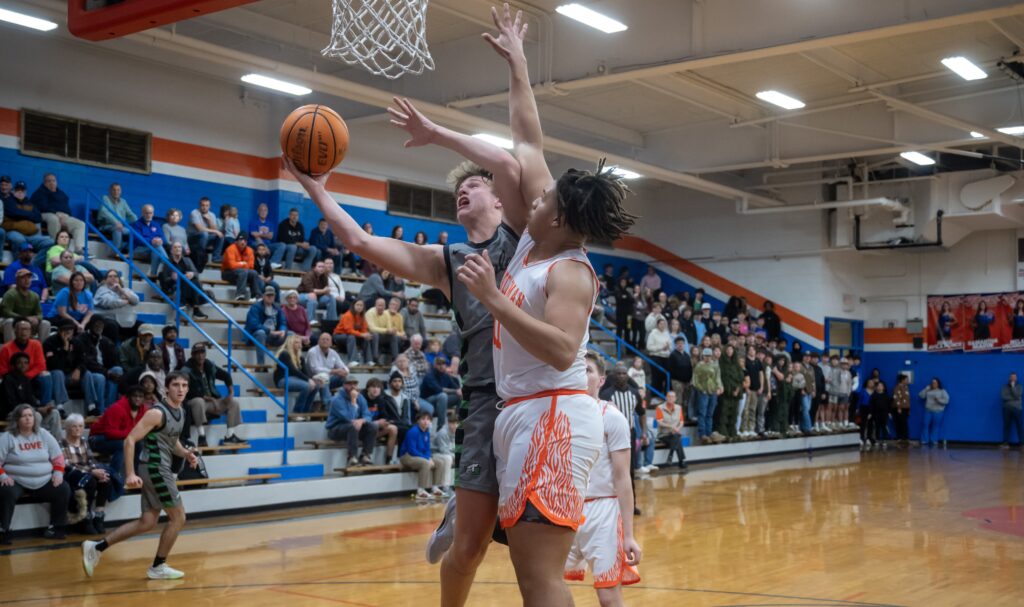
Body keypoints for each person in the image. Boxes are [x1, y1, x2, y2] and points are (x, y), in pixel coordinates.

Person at [286, 20, 533, 602]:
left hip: (535, 399)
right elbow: (364, 246)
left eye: (474, 185)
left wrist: (439, 133)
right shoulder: (446, 259)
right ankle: (463, 519)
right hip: (484, 402)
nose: (463, 191)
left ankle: (474, 509)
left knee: (529, 545)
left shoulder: (522, 236)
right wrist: (318, 189)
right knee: (468, 552)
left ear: (498, 197)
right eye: (459, 191)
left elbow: (509, 156)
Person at [81, 372, 198, 580]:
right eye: (176, 385)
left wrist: (186, 454)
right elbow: (129, 440)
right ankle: (158, 566)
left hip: (158, 468)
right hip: (155, 468)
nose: (181, 389)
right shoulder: (157, 413)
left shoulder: (180, 410)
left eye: (184, 385)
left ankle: (96, 548)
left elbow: (173, 442)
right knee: (179, 518)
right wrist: (130, 473)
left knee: (147, 522)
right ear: (166, 389)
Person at [564, 352, 641, 599]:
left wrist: (629, 534)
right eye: (577, 369)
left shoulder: (612, 417)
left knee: (608, 597)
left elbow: (623, 478)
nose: (581, 374)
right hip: (563, 512)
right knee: (548, 588)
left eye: (587, 370)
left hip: (603, 512)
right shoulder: (557, 416)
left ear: (601, 379)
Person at [0, 404, 70, 544]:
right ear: (17, 419)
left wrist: (58, 473)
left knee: (63, 489)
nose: (28, 419)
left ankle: (56, 527)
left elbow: (58, 457)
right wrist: (3, 475)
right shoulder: (7, 437)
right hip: (16, 480)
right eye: (24, 416)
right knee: (6, 492)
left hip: (43, 480)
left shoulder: (43, 433)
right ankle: (4, 530)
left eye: (30, 415)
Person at [60, 413, 114, 534]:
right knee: (90, 481)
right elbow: (68, 465)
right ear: (68, 428)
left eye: (80, 426)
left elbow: (90, 460)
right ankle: (86, 517)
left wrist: (97, 471)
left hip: (86, 472)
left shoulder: (83, 441)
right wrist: (92, 471)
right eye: (74, 426)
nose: (78, 429)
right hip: (71, 475)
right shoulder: (62, 443)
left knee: (106, 479)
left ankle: (99, 516)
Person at [184, 344, 243, 447]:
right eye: (197, 353)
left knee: (233, 403)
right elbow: (188, 390)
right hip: (195, 402)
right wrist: (211, 399)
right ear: (192, 355)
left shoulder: (209, 365)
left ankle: (229, 436)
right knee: (198, 401)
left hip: (212, 402)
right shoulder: (187, 369)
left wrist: (231, 393)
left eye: (202, 352)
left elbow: (226, 375)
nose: (200, 356)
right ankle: (201, 437)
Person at [87, 385, 149, 478]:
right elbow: (110, 432)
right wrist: (131, 434)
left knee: (138, 443)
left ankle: (134, 473)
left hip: (119, 439)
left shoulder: (143, 410)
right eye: (134, 396)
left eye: (140, 397)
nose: (137, 399)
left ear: (144, 399)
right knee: (124, 444)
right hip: (97, 438)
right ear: (128, 397)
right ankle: (113, 476)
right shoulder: (117, 408)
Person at [0, 318, 55, 414]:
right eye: (21, 329)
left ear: (31, 331)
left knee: (46, 375)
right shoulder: (6, 348)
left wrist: (26, 376)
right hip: (13, 379)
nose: (24, 332)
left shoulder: (36, 344)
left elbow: (41, 365)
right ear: (15, 331)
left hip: (31, 376)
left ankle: (44, 405)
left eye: (27, 329)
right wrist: (17, 378)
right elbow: (2, 369)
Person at [74, 316, 122, 416]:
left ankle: (110, 409)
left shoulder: (106, 341)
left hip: (104, 370)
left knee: (118, 370)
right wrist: (107, 372)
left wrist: (110, 370)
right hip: (89, 371)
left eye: (101, 324)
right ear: (90, 325)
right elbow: (87, 362)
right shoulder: (81, 339)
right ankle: (100, 411)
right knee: (100, 378)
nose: (99, 326)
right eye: (96, 324)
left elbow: (114, 361)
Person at [326, 377, 376, 466]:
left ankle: (365, 455)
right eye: (349, 384)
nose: (353, 386)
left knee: (372, 426)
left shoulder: (360, 397)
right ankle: (352, 457)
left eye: (355, 384)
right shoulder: (336, 400)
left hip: (353, 428)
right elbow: (349, 418)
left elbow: (368, 415)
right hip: (336, 429)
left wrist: (362, 420)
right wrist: (353, 401)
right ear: (344, 385)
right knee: (352, 426)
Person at [32, 173, 85, 253]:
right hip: (44, 214)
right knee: (54, 219)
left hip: (62, 216)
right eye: (49, 181)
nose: (52, 183)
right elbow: (42, 207)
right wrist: (57, 213)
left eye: (53, 180)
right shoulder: (39, 193)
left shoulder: (61, 194)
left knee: (80, 224)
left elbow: (67, 209)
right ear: (44, 183)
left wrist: (65, 216)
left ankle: (79, 248)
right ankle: (56, 246)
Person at [400, 411, 448, 499]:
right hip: (407, 456)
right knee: (425, 463)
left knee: (440, 462)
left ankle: (435, 488)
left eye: (428, 419)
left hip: (420, 456)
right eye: (423, 419)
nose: (426, 421)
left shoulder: (426, 432)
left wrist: (429, 457)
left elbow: (427, 449)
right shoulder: (413, 431)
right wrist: (427, 458)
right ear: (418, 420)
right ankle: (420, 491)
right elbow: (412, 450)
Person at [3, 181, 54, 261]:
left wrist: (22, 214)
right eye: (17, 190)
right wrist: (30, 215)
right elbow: (14, 213)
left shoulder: (30, 203)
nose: (20, 192)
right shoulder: (8, 201)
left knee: (50, 242)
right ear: (13, 191)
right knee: (19, 240)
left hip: (30, 234)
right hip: (14, 232)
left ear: (25, 192)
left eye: (22, 190)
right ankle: (19, 265)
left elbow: (38, 217)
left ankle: (35, 264)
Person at [43, 318, 83, 417]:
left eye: (71, 329)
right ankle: (60, 406)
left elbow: (83, 360)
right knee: (58, 373)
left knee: (90, 375)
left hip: (71, 375)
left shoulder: (77, 343)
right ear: (59, 331)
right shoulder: (49, 343)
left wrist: (78, 369)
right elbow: (53, 365)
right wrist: (64, 350)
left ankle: (93, 406)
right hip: (55, 375)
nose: (68, 332)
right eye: (65, 330)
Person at [159, 241, 206, 319]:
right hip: (175, 285)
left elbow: (196, 273)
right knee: (190, 281)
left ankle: (184, 303)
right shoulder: (167, 263)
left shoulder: (187, 260)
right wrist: (172, 278)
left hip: (188, 285)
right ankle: (195, 309)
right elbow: (164, 279)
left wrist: (192, 274)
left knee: (193, 280)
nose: (178, 249)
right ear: (171, 251)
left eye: (179, 247)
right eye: (175, 247)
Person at [1, 268, 49, 341]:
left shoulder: (34, 296)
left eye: (29, 278)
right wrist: (23, 318)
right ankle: (10, 350)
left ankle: (42, 350)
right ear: (17, 280)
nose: (27, 280)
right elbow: (6, 312)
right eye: (23, 278)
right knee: (9, 321)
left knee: (45, 323)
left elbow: (40, 313)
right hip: (13, 321)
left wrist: (37, 318)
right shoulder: (10, 294)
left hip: (28, 322)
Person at [273, 334, 318, 414]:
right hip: (283, 379)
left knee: (315, 386)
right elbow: (293, 370)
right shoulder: (284, 354)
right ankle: (297, 413)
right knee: (306, 386)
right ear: (291, 343)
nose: (299, 345)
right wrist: (308, 380)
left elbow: (305, 372)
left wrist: (313, 380)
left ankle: (305, 412)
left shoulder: (300, 357)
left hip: (295, 379)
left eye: (300, 343)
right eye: (296, 342)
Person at [245, 287, 287, 365]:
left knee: (291, 334)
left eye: (272, 295)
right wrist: (270, 332)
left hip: (273, 336)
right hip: (256, 335)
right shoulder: (256, 307)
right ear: (263, 296)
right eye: (268, 295)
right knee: (261, 333)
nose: (270, 297)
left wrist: (282, 330)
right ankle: (261, 365)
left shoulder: (277, 307)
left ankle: (283, 366)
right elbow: (254, 324)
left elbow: (283, 322)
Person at [363, 377, 400, 465]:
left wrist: (384, 422)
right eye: (373, 387)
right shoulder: (362, 399)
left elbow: (384, 415)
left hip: (376, 428)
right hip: (364, 430)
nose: (376, 389)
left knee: (393, 428)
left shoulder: (381, 399)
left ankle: (389, 459)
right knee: (374, 426)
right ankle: (365, 455)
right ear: (368, 388)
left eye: (378, 387)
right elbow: (360, 418)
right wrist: (376, 423)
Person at [306, 331, 350, 401]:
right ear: (318, 341)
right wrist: (334, 371)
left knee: (346, 378)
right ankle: (327, 405)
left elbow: (343, 366)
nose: (325, 341)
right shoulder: (312, 352)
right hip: (313, 380)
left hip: (329, 380)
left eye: (327, 339)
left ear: (331, 343)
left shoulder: (333, 352)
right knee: (324, 378)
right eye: (323, 339)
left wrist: (344, 371)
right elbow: (315, 369)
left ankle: (347, 401)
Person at [420, 355, 461, 430]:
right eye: (439, 364)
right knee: (443, 395)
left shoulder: (446, 375)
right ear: (435, 365)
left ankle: (457, 421)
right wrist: (456, 391)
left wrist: (460, 391)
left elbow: (456, 387)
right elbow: (439, 389)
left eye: (443, 364)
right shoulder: (429, 375)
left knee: (459, 396)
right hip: (428, 400)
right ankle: (441, 426)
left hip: (441, 400)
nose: (441, 366)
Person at [333, 298, 375, 365]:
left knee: (366, 338)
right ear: (353, 306)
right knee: (351, 337)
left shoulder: (362, 316)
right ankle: (353, 360)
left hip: (352, 336)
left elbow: (364, 329)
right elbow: (348, 330)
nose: (359, 307)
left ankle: (368, 360)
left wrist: (366, 335)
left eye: (361, 305)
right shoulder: (348, 315)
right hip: (339, 335)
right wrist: (362, 335)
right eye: (357, 305)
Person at [97, 183, 137, 252]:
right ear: (110, 191)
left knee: (135, 232)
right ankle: (116, 252)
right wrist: (116, 222)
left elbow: (130, 214)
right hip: (106, 225)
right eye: (114, 190)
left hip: (121, 227)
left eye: (118, 190)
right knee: (118, 229)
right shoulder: (105, 198)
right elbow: (104, 212)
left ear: (120, 191)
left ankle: (125, 250)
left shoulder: (123, 202)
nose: (116, 192)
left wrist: (138, 223)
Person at [186, 196, 222, 272]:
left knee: (220, 236)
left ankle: (216, 257)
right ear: (199, 205)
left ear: (209, 206)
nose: (204, 207)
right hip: (192, 238)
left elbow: (214, 229)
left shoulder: (212, 215)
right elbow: (200, 229)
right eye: (203, 205)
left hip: (204, 238)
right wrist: (215, 231)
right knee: (204, 234)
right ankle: (201, 256)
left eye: (207, 205)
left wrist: (209, 220)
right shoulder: (194, 213)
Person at [221, 233, 260, 301]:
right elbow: (232, 266)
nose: (243, 242)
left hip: (242, 273)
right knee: (243, 272)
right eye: (241, 240)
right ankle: (240, 295)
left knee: (254, 273)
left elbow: (251, 266)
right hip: (227, 273)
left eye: (245, 240)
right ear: (236, 241)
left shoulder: (250, 250)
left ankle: (255, 296)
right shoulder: (230, 249)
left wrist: (239, 264)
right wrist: (243, 263)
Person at [130, 204, 164, 275]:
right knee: (156, 247)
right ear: (142, 213)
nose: (149, 215)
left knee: (156, 250)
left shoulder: (156, 225)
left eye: (150, 213)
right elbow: (138, 239)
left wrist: (160, 240)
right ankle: (167, 262)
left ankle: (153, 274)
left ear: (153, 213)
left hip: (152, 249)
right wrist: (152, 241)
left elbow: (163, 237)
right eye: (147, 213)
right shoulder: (136, 224)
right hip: (139, 249)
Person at [656, 391, 687, 469]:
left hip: (675, 434)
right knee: (677, 438)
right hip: (664, 435)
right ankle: (681, 460)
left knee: (676, 436)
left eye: (673, 396)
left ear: (675, 398)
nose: (671, 398)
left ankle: (671, 456)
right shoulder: (660, 408)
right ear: (666, 397)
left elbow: (682, 422)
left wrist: (677, 429)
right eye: (669, 396)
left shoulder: (679, 408)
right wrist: (672, 427)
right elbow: (660, 422)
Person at [248, 202, 284, 267]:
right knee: (258, 245)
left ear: (267, 212)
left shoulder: (270, 223)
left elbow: (270, 236)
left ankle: (272, 263)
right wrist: (264, 246)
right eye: (261, 210)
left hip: (268, 245)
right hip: (256, 244)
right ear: (258, 211)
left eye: (265, 210)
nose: (263, 212)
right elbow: (255, 236)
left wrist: (259, 234)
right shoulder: (253, 222)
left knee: (282, 245)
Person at [918, 378, 949, 448]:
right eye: (932, 382)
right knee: (925, 424)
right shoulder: (928, 390)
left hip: (938, 411)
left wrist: (939, 400)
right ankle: (924, 440)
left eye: (935, 382)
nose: (933, 384)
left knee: (935, 426)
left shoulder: (942, 391)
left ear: (938, 383)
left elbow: (946, 400)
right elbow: (921, 395)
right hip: (928, 410)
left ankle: (934, 440)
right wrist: (926, 389)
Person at [1001, 372, 1023, 450]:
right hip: (1007, 409)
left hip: (1017, 409)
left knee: (1019, 426)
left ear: (1016, 378)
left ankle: (1021, 444)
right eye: (1012, 377)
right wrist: (1014, 398)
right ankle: (1005, 443)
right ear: (1009, 378)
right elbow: (1004, 397)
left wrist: (1013, 387)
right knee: (1007, 426)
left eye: (1014, 377)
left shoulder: (1020, 386)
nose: (1013, 378)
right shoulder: (1004, 387)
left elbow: (1018, 395)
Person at [891, 374, 911, 444]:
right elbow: (896, 398)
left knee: (904, 423)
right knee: (899, 423)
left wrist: (908, 409)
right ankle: (899, 437)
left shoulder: (906, 387)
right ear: (902, 380)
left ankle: (905, 438)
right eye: (906, 379)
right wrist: (899, 408)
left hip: (905, 408)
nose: (908, 381)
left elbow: (907, 399)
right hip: (899, 408)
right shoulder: (897, 387)